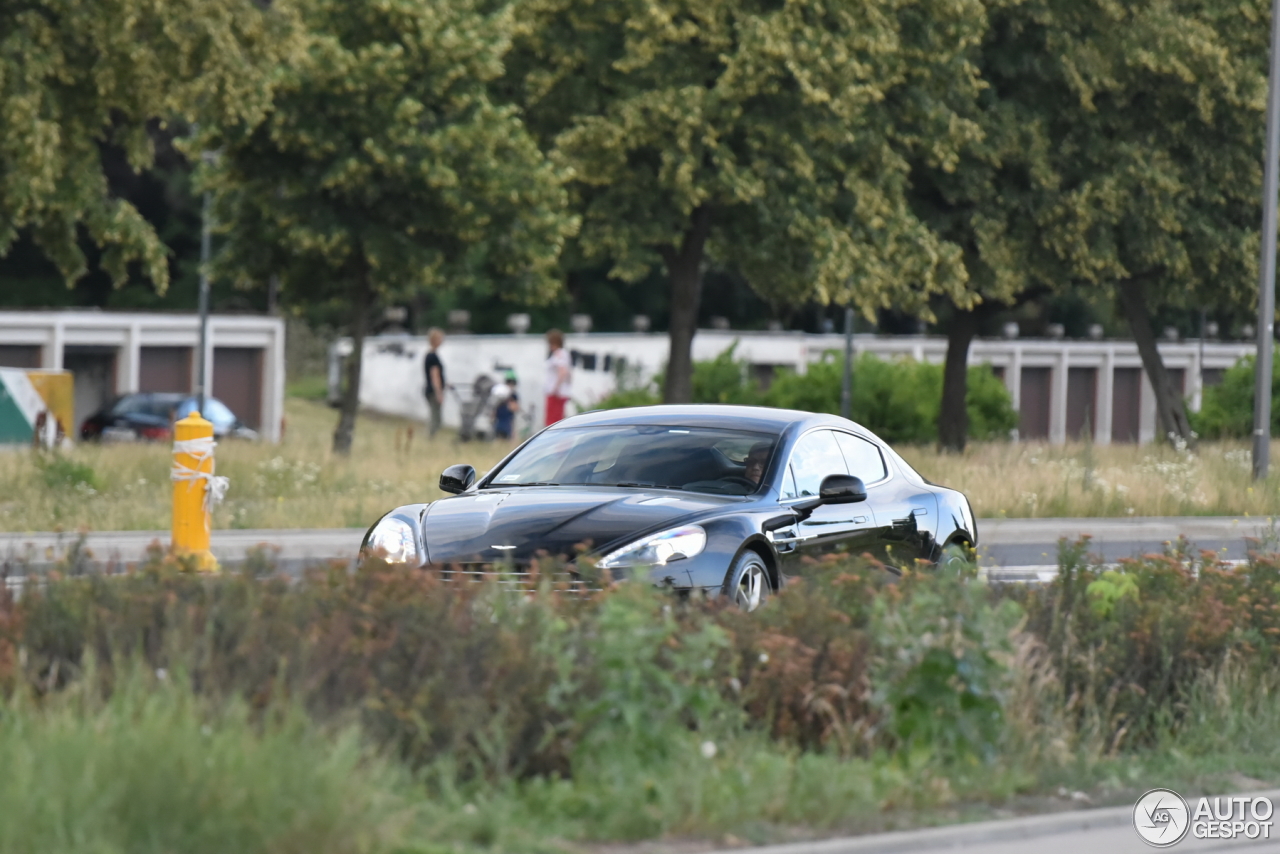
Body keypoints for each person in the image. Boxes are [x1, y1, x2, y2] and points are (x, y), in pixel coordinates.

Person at [544, 328, 572, 426]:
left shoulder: (560, 354)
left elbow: (563, 371)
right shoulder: (561, 354)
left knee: (553, 421)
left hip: (556, 393)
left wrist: (556, 388)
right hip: (557, 391)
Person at [423, 328, 446, 437]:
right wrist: (439, 392)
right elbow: (435, 375)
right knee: (435, 417)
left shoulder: (430, 355)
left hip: (430, 389)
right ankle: (430, 437)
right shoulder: (433, 357)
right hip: (433, 391)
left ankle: (431, 437)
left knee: (435, 416)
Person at [493, 372, 519, 442]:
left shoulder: (512, 395)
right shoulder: (501, 394)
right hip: (502, 423)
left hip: (506, 423)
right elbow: (514, 408)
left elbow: (514, 408)